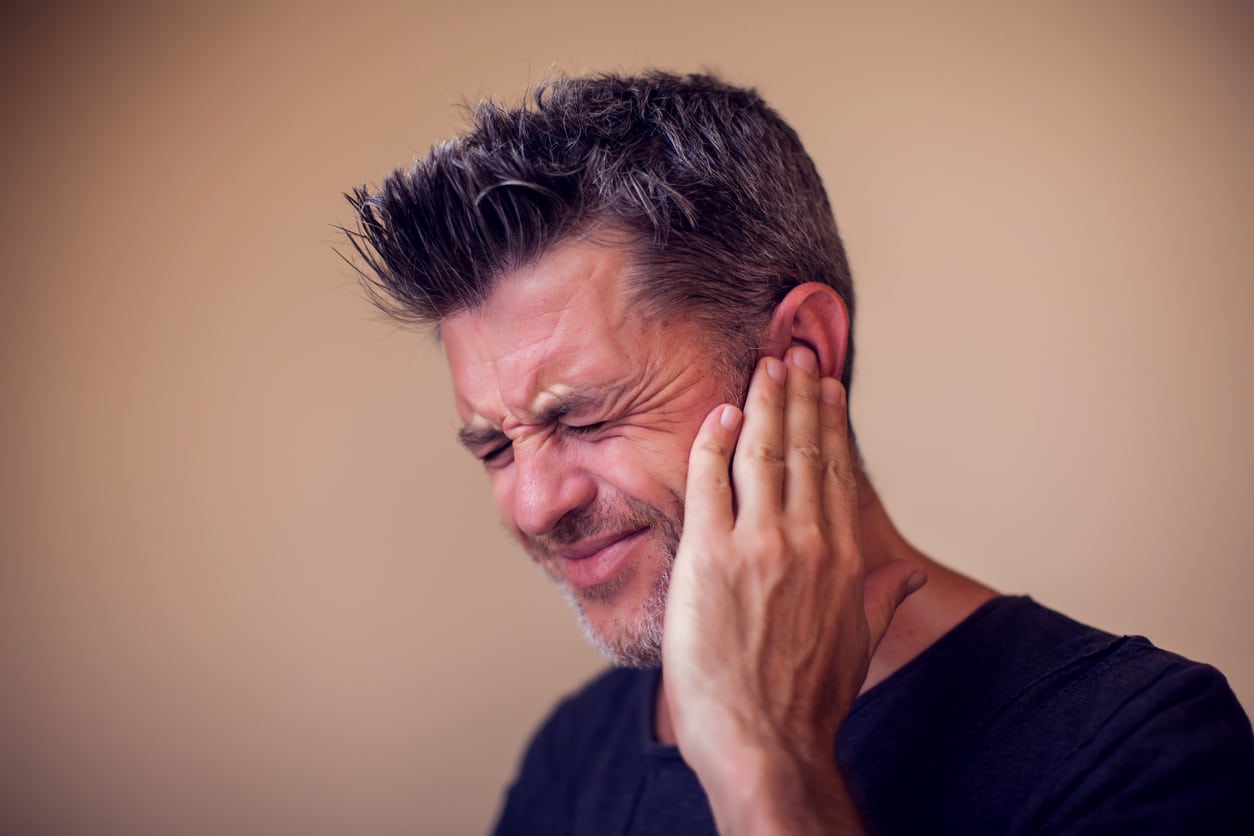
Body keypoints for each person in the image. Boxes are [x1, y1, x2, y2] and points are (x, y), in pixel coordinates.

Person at [345, 71, 1254, 834]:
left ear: (801, 353)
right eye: (495, 447)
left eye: (585, 419)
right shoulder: (570, 754)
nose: (537, 504)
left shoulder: (1138, 743)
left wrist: (764, 759)